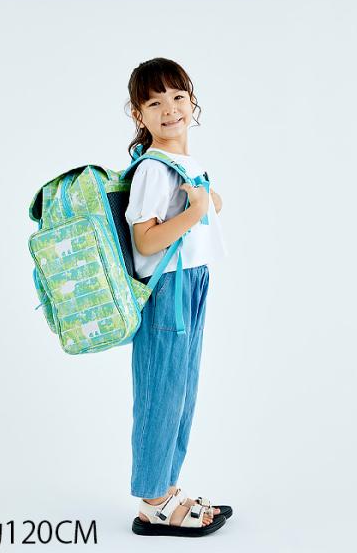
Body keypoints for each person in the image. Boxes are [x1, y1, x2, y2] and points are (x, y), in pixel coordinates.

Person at [124, 58, 232, 537]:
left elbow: (206, 207)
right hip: (168, 287)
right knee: (161, 394)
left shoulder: (185, 163)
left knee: (181, 393)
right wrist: (195, 210)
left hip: (193, 281)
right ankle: (152, 502)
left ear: (193, 102)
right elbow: (146, 241)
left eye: (178, 97)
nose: (169, 109)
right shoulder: (152, 168)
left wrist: (206, 200)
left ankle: (168, 490)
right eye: (154, 102)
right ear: (138, 115)